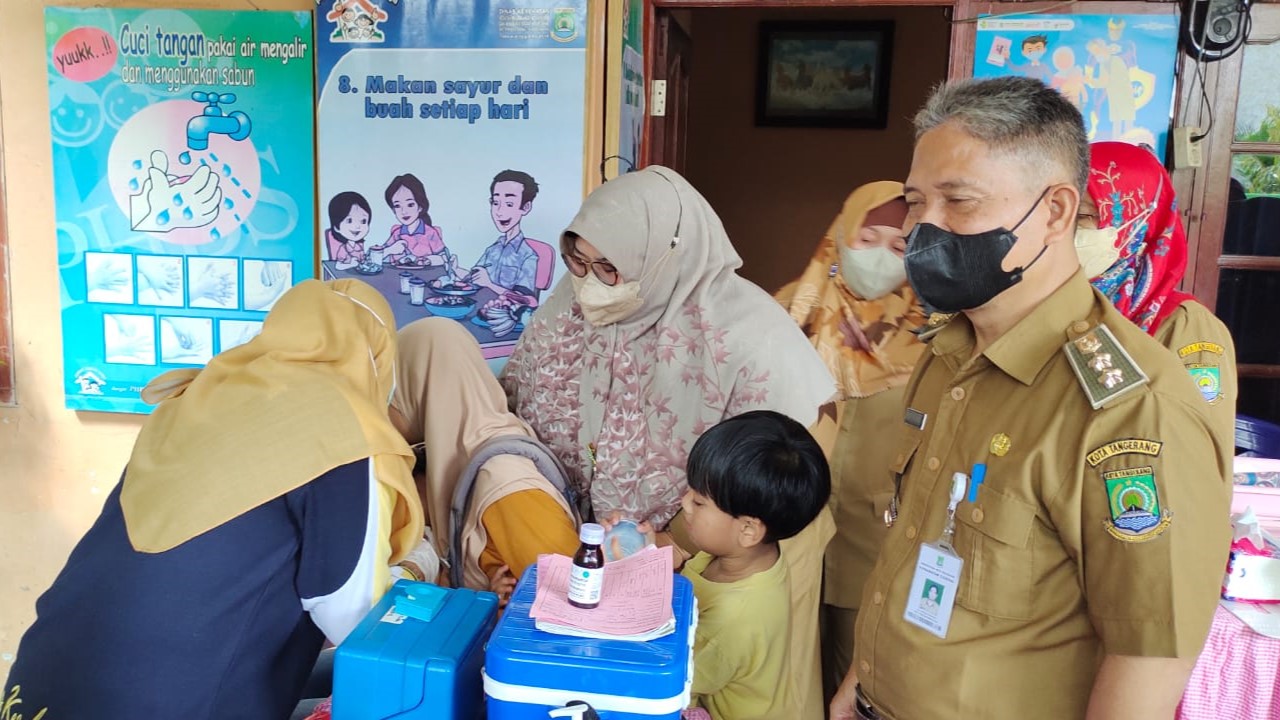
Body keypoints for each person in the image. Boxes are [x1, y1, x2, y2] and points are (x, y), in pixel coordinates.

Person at [829, 77, 1232, 720]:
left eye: (959, 200)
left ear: (1054, 212)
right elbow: (914, 538)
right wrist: (862, 679)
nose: (923, 228)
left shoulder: (1132, 409)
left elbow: (1149, 654)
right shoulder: (945, 354)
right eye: (916, 201)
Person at [501, 165, 838, 720]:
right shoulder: (571, 299)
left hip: (727, 550)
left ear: (664, 257)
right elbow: (522, 390)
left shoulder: (748, 336)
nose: (589, 282)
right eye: (578, 260)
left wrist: (675, 541)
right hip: (626, 549)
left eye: (610, 267)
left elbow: (768, 475)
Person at [3, 279, 426, 718]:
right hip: (168, 699)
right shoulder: (344, 427)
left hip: (40, 680)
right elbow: (352, 615)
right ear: (376, 355)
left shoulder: (201, 395)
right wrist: (417, 571)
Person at [773, 181, 927, 700]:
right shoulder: (786, 313)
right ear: (840, 235)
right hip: (785, 525)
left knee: (858, 676)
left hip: (877, 542)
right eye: (867, 238)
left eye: (900, 246)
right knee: (782, 671)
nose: (881, 256)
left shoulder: (933, 334)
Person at [388, 317, 579, 598]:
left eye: (392, 396)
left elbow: (575, 605)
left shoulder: (508, 484)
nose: (385, 413)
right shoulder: (451, 466)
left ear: (423, 389)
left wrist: (493, 606)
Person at [1077, 140, 1237, 439]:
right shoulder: (1053, 305)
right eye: (1055, 211)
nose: (1060, 228)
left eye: (1083, 216)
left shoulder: (1185, 326)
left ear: (1137, 222)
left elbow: (1198, 444)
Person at [679, 410, 832, 720]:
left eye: (698, 502)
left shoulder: (735, 621)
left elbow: (675, 683)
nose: (684, 503)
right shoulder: (746, 556)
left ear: (748, 530)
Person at [463, 170, 542, 299]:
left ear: (526, 207)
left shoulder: (528, 256)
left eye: (509, 204)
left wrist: (489, 284)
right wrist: (454, 269)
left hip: (504, 310)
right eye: (495, 203)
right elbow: (473, 277)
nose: (499, 212)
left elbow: (527, 301)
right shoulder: (493, 249)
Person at [371, 173, 448, 267]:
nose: (404, 211)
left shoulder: (430, 232)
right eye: (397, 206)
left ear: (420, 206)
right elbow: (377, 258)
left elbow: (444, 258)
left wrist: (428, 260)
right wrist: (390, 250)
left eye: (410, 205)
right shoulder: (397, 233)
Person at [326, 191, 372, 269]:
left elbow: (362, 260)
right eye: (349, 221)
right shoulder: (343, 249)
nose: (357, 226)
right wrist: (351, 264)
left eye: (363, 221)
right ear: (336, 227)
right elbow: (338, 266)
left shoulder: (359, 246)